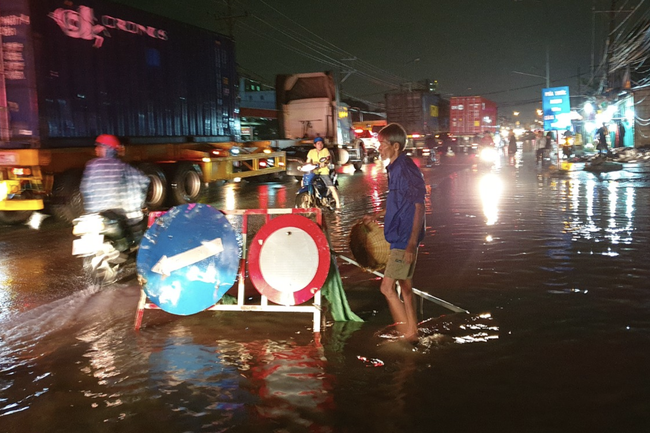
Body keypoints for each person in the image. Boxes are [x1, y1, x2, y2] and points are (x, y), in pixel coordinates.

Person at [364, 123, 426, 344]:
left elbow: (419, 205)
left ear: (395, 146)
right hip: (400, 236)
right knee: (405, 288)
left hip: (403, 238)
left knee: (386, 288)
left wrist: (410, 244)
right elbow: (400, 203)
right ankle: (413, 332)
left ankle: (405, 338)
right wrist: (378, 214)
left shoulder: (404, 169)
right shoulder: (396, 167)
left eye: (382, 144)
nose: (378, 148)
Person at [80, 134, 150, 236]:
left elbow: (85, 188)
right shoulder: (122, 166)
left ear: (106, 148)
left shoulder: (92, 165)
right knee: (138, 234)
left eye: (99, 146)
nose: (96, 149)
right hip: (117, 215)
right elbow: (144, 180)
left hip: (94, 215)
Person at [306, 136, 341, 212]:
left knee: (331, 187)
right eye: (318, 144)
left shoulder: (325, 150)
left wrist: (324, 163)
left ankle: (338, 205)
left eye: (321, 143)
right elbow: (308, 161)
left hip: (323, 171)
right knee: (304, 181)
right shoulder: (311, 152)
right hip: (314, 171)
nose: (320, 145)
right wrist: (304, 166)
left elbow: (327, 158)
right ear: (315, 145)